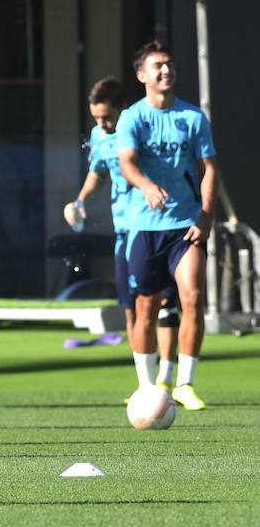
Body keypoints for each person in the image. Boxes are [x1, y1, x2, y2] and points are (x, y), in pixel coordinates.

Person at [63, 77, 180, 399]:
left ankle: (170, 382)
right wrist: (80, 201)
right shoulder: (101, 136)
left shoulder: (144, 127)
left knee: (166, 303)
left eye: (107, 117)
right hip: (124, 230)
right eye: (96, 118)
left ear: (122, 109)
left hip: (158, 225)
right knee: (130, 307)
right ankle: (145, 383)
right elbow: (98, 172)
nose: (102, 124)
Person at [116, 40, 216, 411]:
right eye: (157, 65)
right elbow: (126, 162)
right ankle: (146, 386)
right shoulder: (132, 117)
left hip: (185, 225)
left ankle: (185, 383)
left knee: (192, 298)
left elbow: (210, 170)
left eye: (170, 64)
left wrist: (206, 215)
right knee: (147, 307)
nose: (165, 70)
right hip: (144, 227)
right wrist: (144, 184)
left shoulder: (193, 118)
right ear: (142, 74)